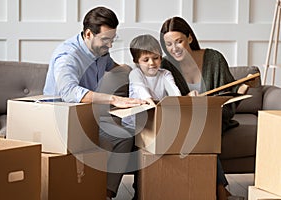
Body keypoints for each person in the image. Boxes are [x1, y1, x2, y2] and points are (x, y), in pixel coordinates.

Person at [43, 6, 146, 200]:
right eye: (106, 40)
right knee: (112, 138)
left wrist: (138, 73)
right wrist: (115, 99)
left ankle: (105, 193)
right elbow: (69, 92)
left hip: (84, 116)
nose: (110, 45)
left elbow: (114, 66)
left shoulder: (100, 51)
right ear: (89, 34)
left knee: (125, 136)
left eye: (112, 40)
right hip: (59, 120)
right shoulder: (67, 56)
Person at [159, 17, 247, 200]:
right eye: (168, 44)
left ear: (189, 38)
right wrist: (185, 100)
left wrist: (241, 90)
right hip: (185, 120)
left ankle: (220, 191)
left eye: (179, 41)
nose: (174, 48)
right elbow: (164, 99)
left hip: (214, 118)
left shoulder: (213, 58)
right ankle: (222, 192)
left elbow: (228, 99)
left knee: (200, 131)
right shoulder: (166, 65)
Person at [122, 34, 181, 129]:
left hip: (156, 118)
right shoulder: (135, 74)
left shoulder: (165, 74)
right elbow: (142, 91)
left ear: (161, 57)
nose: (152, 63)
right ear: (137, 62)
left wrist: (179, 101)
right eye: (146, 60)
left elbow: (174, 91)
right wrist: (152, 104)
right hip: (133, 124)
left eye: (155, 58)